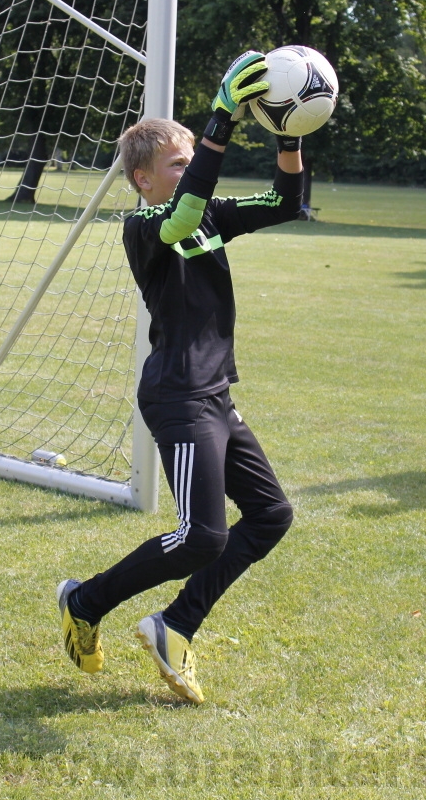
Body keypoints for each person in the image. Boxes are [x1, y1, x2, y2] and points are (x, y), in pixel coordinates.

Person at [56, 51, 304, 704]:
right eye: (177, 161)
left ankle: (175, 624)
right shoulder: (142, 226)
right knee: (202, 534)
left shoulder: (212, 212)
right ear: (142, 179)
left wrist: (288, 132)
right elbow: (183, 218)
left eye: (192, 157)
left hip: (215, 394)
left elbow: (287, 199)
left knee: (271, 514)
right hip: (175, 391)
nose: (191, 167)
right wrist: (221, 119)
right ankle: (84, 600)